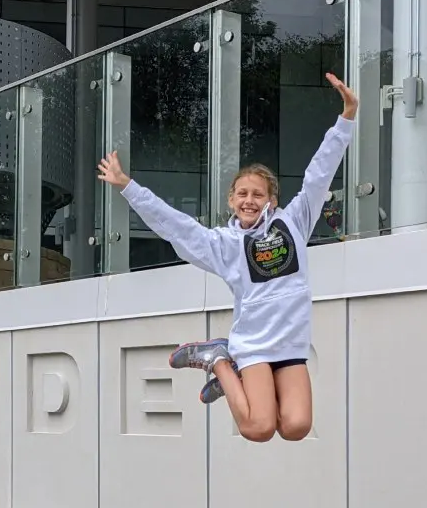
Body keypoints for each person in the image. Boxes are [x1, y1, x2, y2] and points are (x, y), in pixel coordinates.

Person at [97, 73, 357, 443]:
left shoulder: (295, 221)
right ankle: (220, 359)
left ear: (272, 201)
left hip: (291, 342)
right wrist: (128, 187)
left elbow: (319, 173)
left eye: (258, 194)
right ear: (231, 200)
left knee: (297, 427)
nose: (249, 200)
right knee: (258, 428)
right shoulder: (224, 243)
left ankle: (229, 371)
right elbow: (175, 225)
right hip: (254, 345)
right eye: (242, 194)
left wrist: (346, 117)